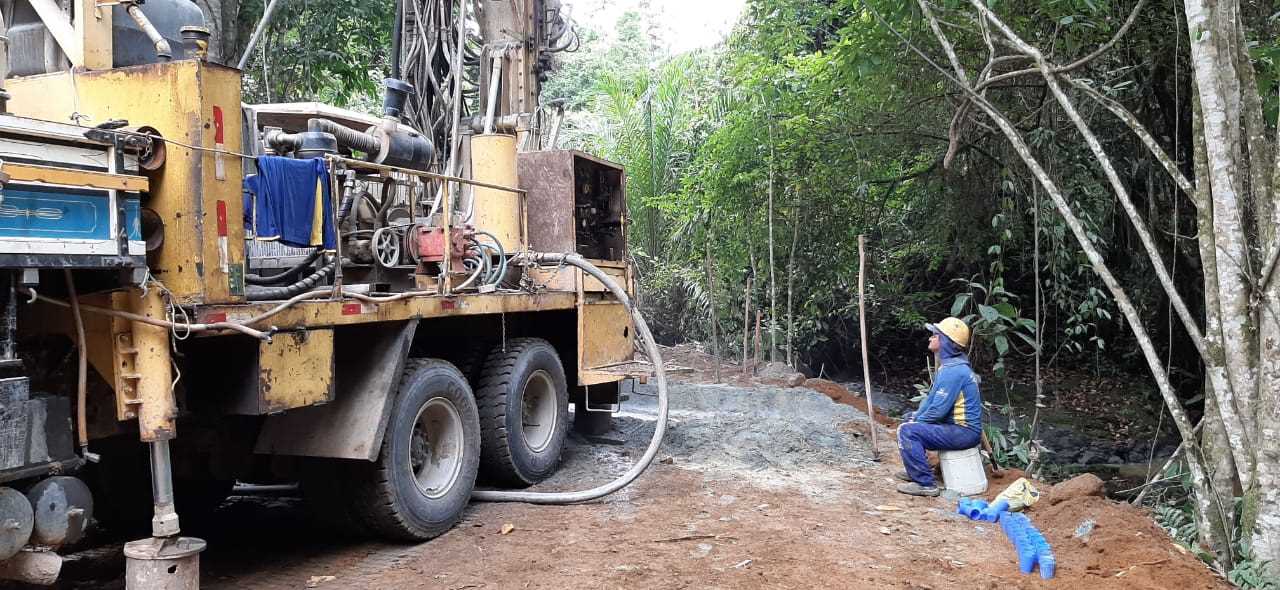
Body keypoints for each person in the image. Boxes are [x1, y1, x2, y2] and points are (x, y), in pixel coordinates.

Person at [896, 317, 983, 497]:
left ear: (946, 342)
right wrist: (916, 416)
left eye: (935, 335)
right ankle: (917, 471)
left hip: (964, 432)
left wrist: (916, 420)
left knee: (907, 431)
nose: (930, 338)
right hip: (956, 428)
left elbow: (937, 411)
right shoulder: (951, 367)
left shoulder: (954, 371)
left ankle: (925, 483)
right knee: (908, 420)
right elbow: (931, 400)